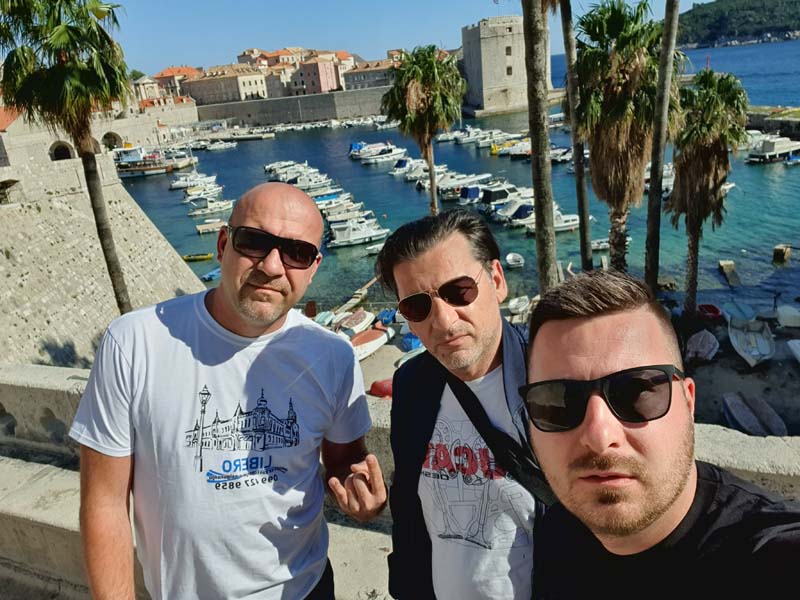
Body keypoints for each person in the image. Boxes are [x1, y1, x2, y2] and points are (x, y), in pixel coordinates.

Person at [70, 182, 387, 600]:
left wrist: (359, 490)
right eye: (254, 242)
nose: (272, 266)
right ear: (223, 245)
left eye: (296, 252)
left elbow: (344, 459)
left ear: (313, 268)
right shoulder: (134, 342)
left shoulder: (333, 355)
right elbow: (104, 502)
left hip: (306, 589)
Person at [522, 270, 800, 599]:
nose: (599, 436)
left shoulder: (771, 557)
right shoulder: (551, 536)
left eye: (636, 392)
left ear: (688, 402)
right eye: (558, 401)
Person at [375, 210, 544, 600]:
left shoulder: (552, 377)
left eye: (459, 291)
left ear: (496, 281)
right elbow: (410, 512)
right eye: (417, 306)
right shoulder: (412, 384)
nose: (443, 320)